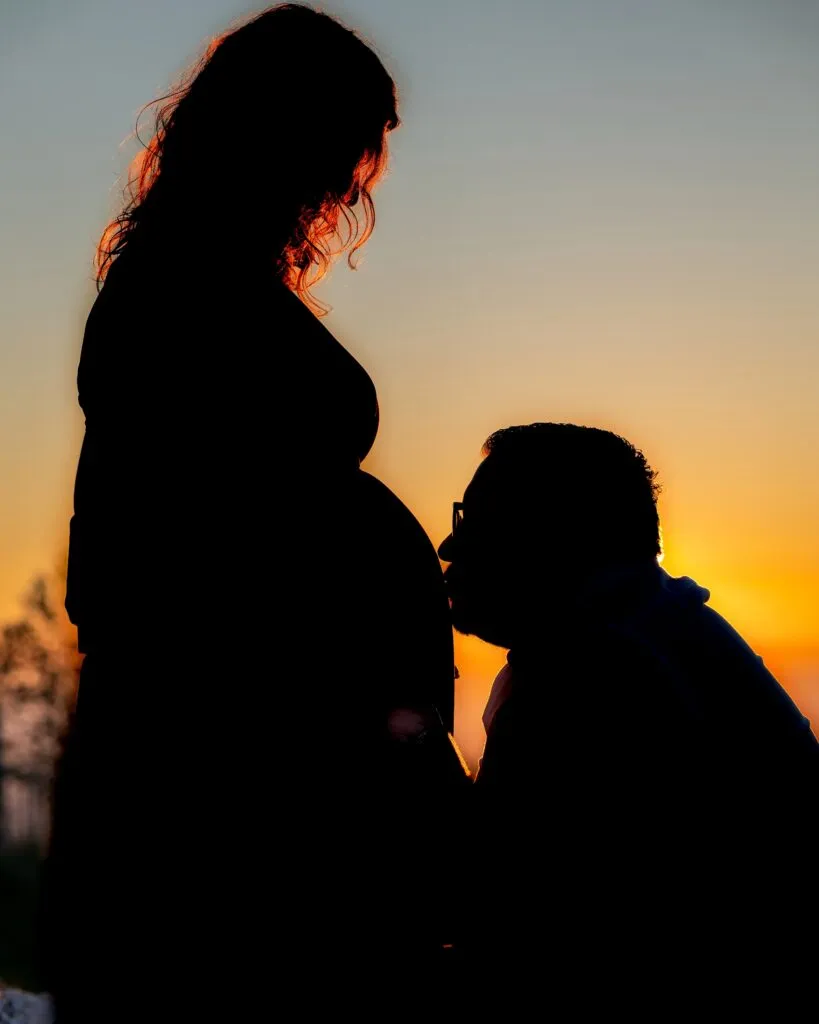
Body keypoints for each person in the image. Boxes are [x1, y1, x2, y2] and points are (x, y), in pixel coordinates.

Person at [44, 6, 461, 1019]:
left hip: (273, 762)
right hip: (225, 783)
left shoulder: (213, 278)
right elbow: (161, 563)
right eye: (345, 140)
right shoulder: (176, 288)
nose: (352, 177)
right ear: (278, 128)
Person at [438, 422, 817, 1007]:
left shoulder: (594, 670)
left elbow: (500, 915)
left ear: (555, 535)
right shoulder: (663, 627)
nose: (449, 547)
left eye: (480, 522)